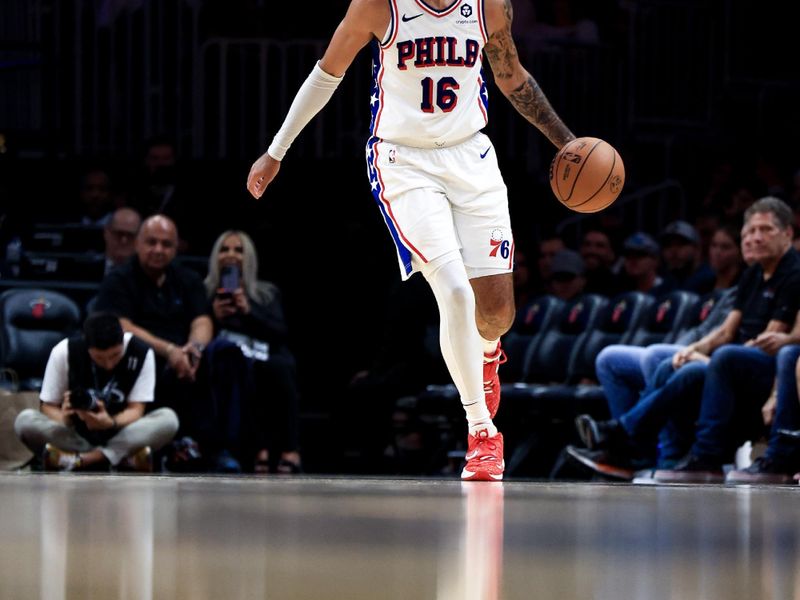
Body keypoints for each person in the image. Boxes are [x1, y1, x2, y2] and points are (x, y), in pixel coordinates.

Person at [245, 0, 577, 481]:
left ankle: (486, 356)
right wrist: (275, 152)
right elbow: (326, 74)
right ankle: (483, 433)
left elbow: (512, 75)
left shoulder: (488, 7)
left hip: (472, 158)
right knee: (455, 292)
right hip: (404, 162)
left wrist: (565, 141)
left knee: (496, 314)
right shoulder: (379, 5)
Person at [568, 197, 800, 481]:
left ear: (787, 233)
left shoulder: (792, 272)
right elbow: (726, 331)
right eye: (749, 232)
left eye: (765, 230)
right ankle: (641, 451)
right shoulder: (753, 274)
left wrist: (706, 358)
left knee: (700, 364)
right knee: (669, 363)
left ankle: (641, 440)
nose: (755, 238)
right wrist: (692, 349)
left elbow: (765, 341)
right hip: (733, 359)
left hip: (757, 365)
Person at [94, 214, 214, 467]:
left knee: (218, 360)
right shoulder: (119, 279)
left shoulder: (188, 279)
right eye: (151, 242)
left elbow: (202, 321)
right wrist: (169, 351)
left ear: (176, 247)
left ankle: (211, 448)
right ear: (138, 243)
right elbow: (122, 325)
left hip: (183, 358)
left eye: (166, 244)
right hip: (140, 358)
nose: (158, 249)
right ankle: (152, 450)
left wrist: (194, 349)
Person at [14, 312, 179, 472]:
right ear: (87, 345)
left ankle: (84, 460)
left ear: (123, 337)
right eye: (99, 358)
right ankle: (121, 459)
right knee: (25, 420)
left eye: (115, 355)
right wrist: (65, 418)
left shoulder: (140, 352)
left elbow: (136, 409)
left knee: (168, 419)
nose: (108, 364)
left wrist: (110, 422)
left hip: (120, 431)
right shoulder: (64, 351)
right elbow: (48, 406)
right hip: (77, 435)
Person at [203, 230, 302, 474]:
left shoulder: (266, 293)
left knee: (281, 365)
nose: (231, 255)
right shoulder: (203, 292)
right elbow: (195, 329)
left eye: (239, 250)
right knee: (239, 369)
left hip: (263, 355)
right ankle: (258, 450)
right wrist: (213, 316)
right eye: (224, 249)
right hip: (226, 357)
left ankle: (290, 449)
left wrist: (249, 310)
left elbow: (280, 332)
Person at [658, 220, 716, 294]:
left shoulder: (710, 280)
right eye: (668, 245)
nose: (673, 250)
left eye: (680, 244)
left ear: (697, 249)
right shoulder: (668, 282)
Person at [616, 232, 673, 297]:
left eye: (640, 255)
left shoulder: (669, 289)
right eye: (628, 256)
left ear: (656, 260)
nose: (632, 261)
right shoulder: (622, 291)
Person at [102, 207, 142, 275]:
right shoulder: (87, 268)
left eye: (130, 235)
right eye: (119, 234)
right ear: (106, 233)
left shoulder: (147, 275)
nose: (124, 240)